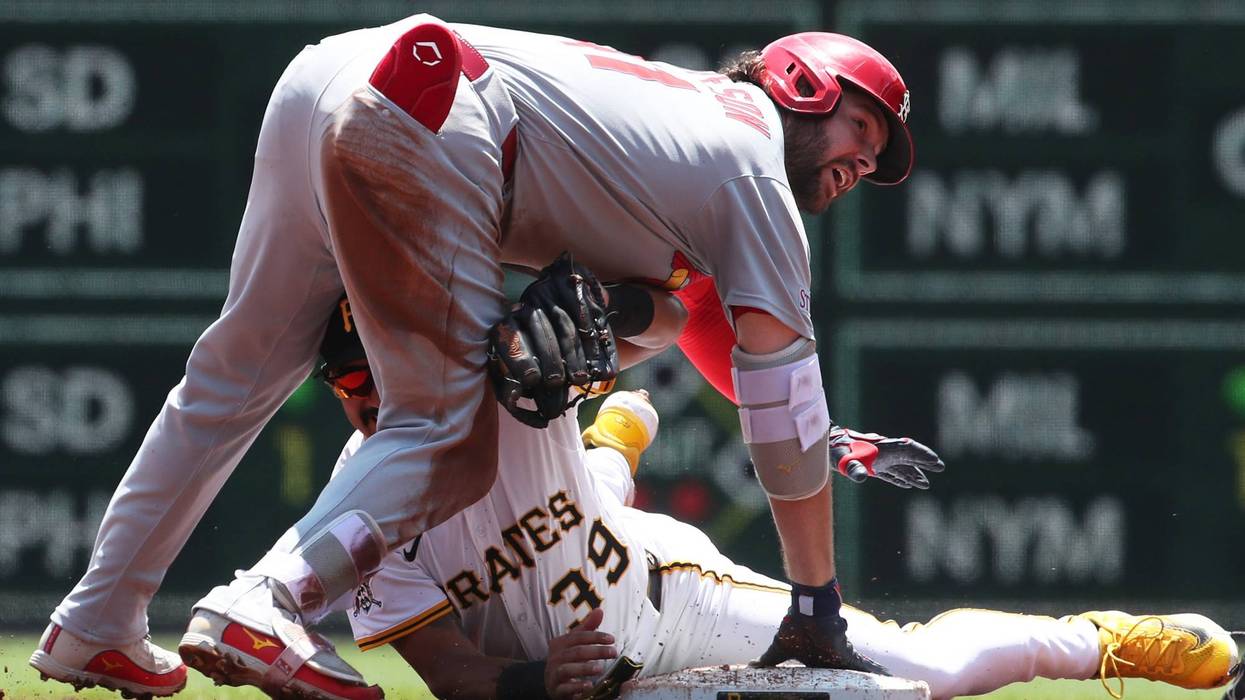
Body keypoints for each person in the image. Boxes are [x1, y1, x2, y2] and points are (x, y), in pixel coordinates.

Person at [34, 13, 923, 697]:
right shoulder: (753, 168)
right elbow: (783, 401)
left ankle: (97, 619)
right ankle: (267, 604)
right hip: (433, 110)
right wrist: (815, 601)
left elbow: (692, 318)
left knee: (229, 379)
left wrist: (823, 433)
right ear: (803, 83)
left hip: (336, 72)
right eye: (861, 128)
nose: (864, 161)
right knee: (450, 437)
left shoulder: (687, 127)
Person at [321, 304, 1237, 700]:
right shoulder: (354, 511)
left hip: (668, 596)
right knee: (580, 500)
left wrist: (610, 336)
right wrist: (529, 682)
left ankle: (1094, 641)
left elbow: (669, 315)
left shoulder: (511, 385)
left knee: (921, 678)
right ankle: (613, 450)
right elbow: (443, 673)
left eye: (390, 368)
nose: (376, 394)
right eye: (352, 381)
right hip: (571, 672)